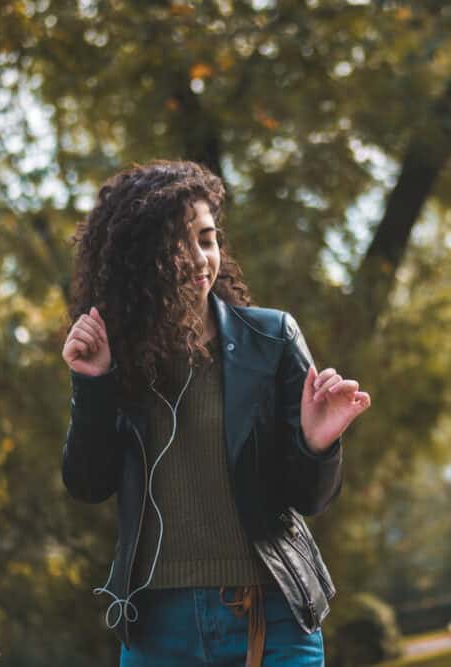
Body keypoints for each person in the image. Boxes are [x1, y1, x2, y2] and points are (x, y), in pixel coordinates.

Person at [60, 159, 371, 666]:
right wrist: (91, 385)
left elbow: (309, 498)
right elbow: (88, 483)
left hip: (268, 619)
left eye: (206, 238)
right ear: (140, 258)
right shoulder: (113, 355)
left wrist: (318, 444)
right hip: (157, 630)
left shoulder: (271, 339)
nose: (200, 258)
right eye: (178, 244)